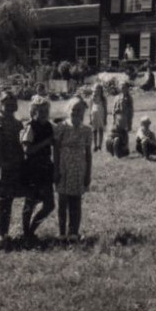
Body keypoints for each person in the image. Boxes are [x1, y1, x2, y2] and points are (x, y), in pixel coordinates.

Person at [54, 97, 92, 243]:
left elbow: (88, 154)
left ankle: (74, 232)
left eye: (79, 110)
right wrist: (56, 169)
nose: (76, 113)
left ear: (83, 113)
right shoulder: (62, 127)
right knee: (62, 201)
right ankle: (62, 232)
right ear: (68, 110)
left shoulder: (87, 130)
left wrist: (88, 174)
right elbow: (56, 150)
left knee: (76, 201)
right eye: (73, 109)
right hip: (64, 168)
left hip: (78, 170)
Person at [0, 90, 25, 248]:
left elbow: (22, 143)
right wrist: (1, 160)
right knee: (3, 200)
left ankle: (8, 232)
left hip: (16, 162)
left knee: (10, 198)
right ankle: (2, 234)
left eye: (13, 103)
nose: (10, 105)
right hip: (4, 162)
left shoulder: (18, 123)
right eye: (6, 102)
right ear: (1, 104)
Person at [20, 96, 56, 241]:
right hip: (32, 168)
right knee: (30, 202)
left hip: (46, 167)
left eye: (46, 110)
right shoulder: (30, 126)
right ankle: (25, 233)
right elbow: (27, 150)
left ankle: (31, 229)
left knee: (49, 205)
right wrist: (46, 142)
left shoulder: (49, 126)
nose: (43, 113)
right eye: (40, 110)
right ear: (33, 111)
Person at [88, 83, 108, 153]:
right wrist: (90, 118)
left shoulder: (103, 98)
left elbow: (105, 109)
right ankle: (95, 145)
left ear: (101, 90)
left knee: (101, 130)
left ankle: (100, 145)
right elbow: (90, 109)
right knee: (94, 130)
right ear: (94, 89)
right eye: (96, 88)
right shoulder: (92, 98)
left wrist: (105, 118)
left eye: (99, 89)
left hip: (101, 115)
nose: (97, 90)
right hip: (94, 116)